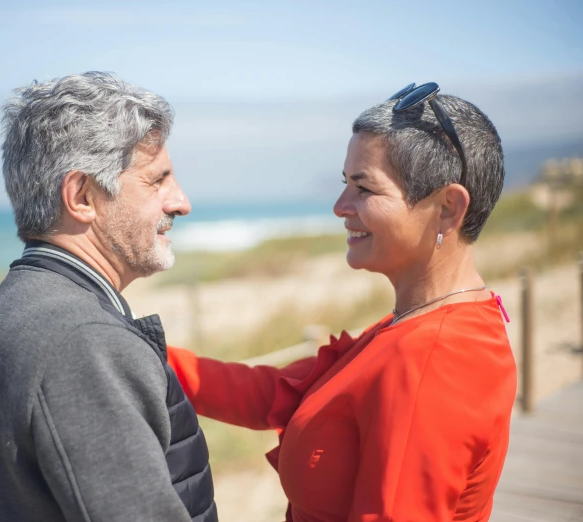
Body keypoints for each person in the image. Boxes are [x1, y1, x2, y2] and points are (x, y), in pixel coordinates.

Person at [168, 83, 517, 521]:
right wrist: (137, 352)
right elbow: (278, 394)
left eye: (364, 189)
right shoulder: (419, 323)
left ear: (447, 208)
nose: (339, 206)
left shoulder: (433, 358)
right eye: (344, 183)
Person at [0, 72, 217, 522]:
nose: (181, 202)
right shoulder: (81, 345)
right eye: (157, 181)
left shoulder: (18, 306)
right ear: (81, 196)